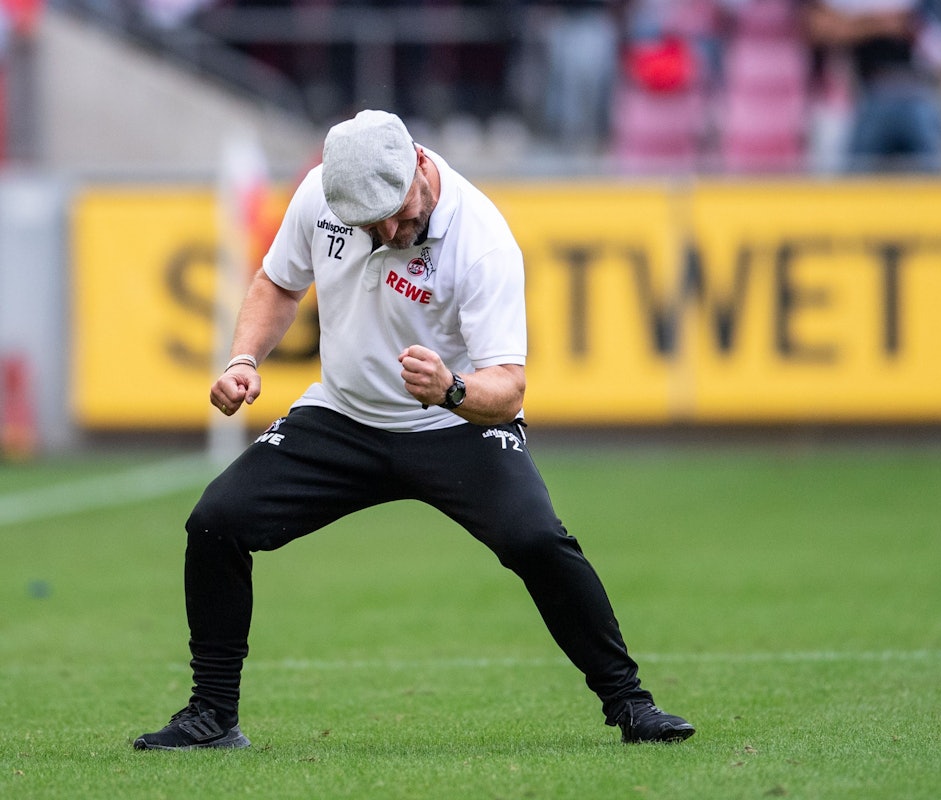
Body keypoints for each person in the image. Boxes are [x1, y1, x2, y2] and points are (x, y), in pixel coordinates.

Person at [133, 109, 695, 750]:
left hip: (454, 424)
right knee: (215, 522)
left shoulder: (481, 239)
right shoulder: (320, 195)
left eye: (397, 213)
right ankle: (212, 716)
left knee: (536, 538)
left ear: (420, 165)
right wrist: (243, 359)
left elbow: (507, 389)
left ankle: (630, 705)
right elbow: (277, 284)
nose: (389, 231)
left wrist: (450, 391)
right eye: (369, 223)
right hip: (341, 417)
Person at [802, 0, 941, 172]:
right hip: (873, 93)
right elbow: (821, 27)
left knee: (933, 175)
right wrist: (879, 25)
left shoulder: (921, 12)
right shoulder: (860, 11)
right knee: (856, 175)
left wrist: (912, 29)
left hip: (916, 93)